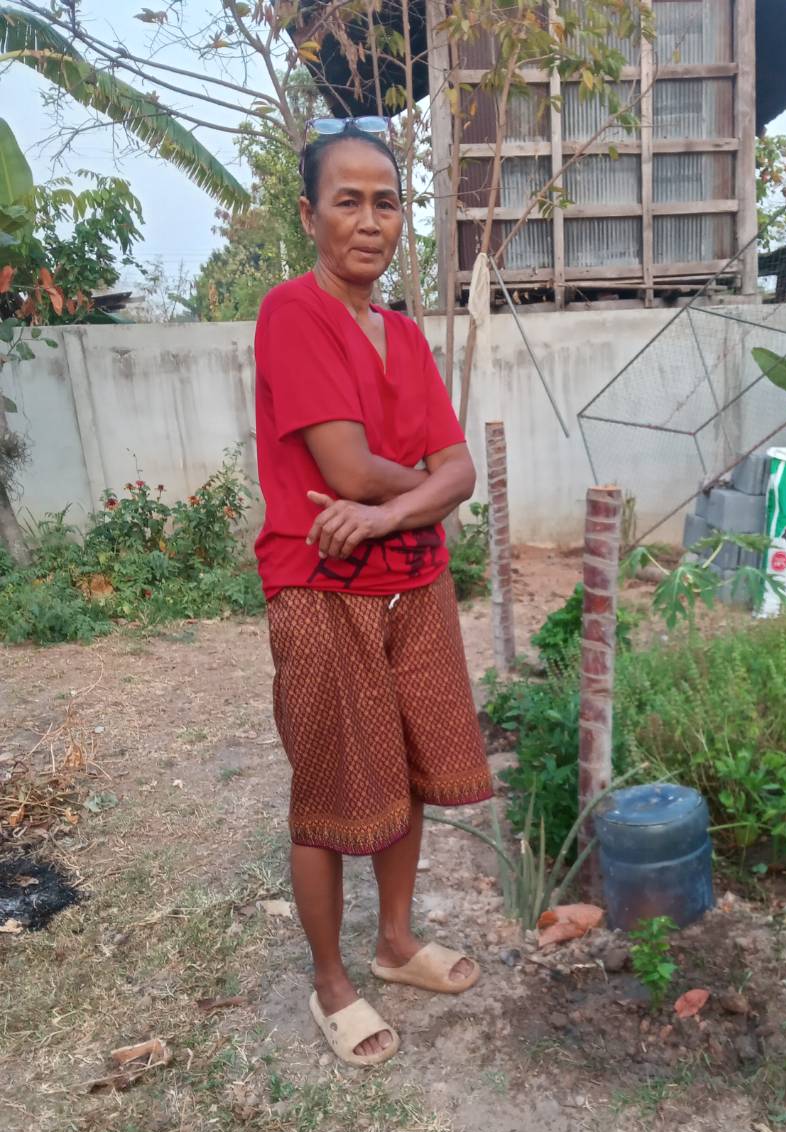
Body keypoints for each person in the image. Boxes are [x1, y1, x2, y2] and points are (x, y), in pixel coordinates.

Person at [253, 120, 492, 1070]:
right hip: (318, 587)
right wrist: (429, 492)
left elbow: (460, 469)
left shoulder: (403, 334)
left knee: (413, 767)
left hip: (413, 583)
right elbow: (347, 468)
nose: (367, 220)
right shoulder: (292, 314)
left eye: (385, 202)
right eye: (346, 200)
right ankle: (331, 980)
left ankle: (394, 942)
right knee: (328, 783)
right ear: (309, 214)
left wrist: (398, 512)